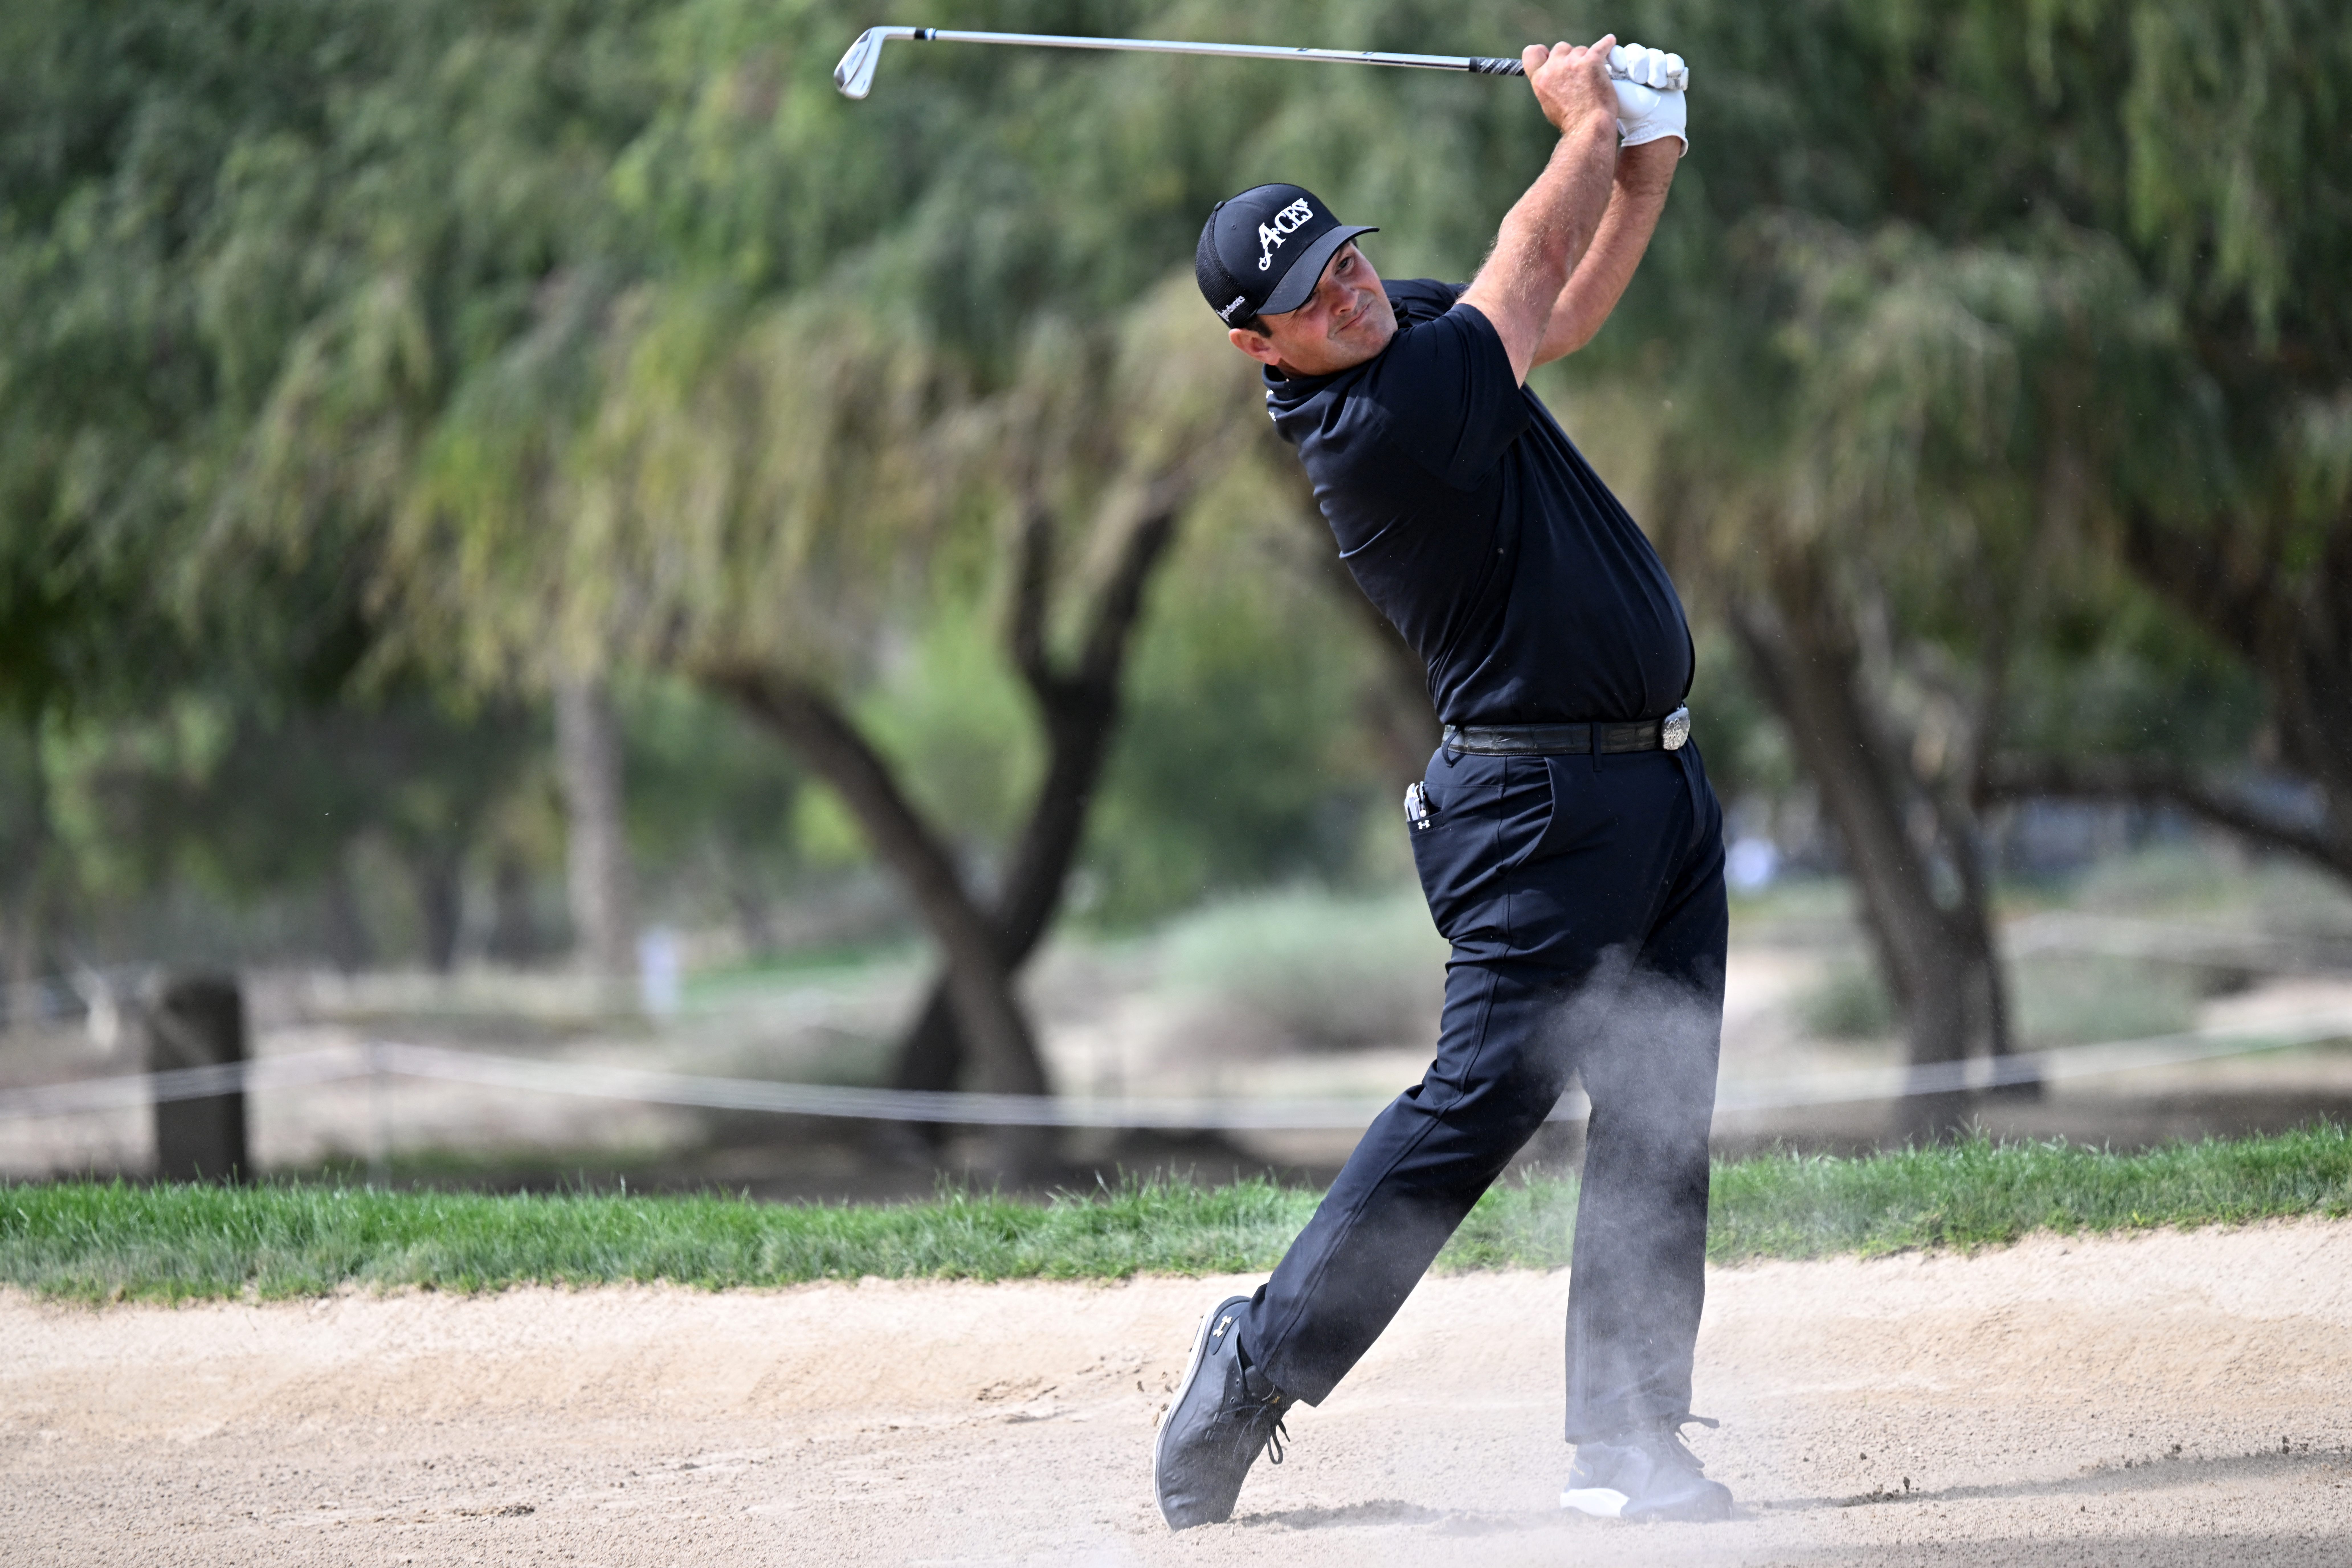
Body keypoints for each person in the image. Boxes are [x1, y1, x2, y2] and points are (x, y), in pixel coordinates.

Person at [1153, 35, 1730, 1529]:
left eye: (1349, 260)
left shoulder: (1407, 339)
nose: (1351, 291)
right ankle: (1255, 1363)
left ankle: (1626, 1444)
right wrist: (1587, 123)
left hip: (1656, 796)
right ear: (1259, 346)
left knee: (1661, 1111)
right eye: (1313, 298)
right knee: (1475, 1112)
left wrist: (1647, 162)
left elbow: (1557, 309)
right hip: (1536, 819)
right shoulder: (1375, 426)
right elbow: (1527, 258)